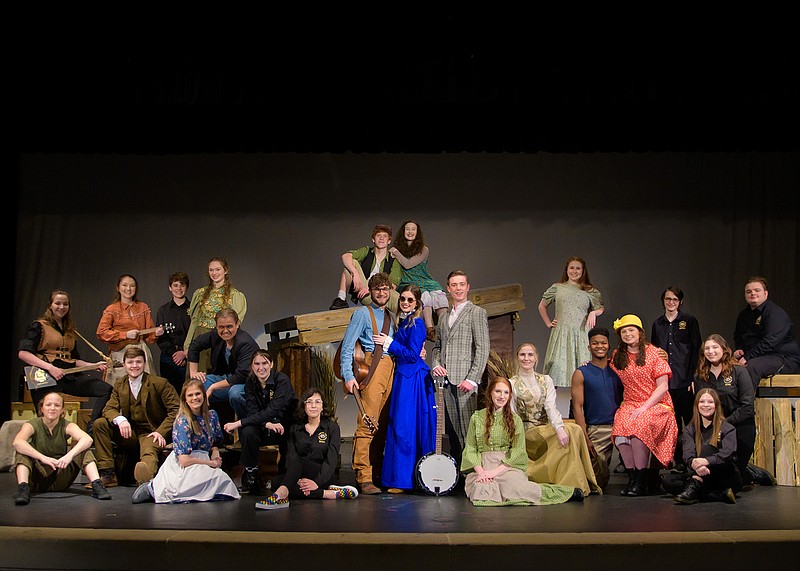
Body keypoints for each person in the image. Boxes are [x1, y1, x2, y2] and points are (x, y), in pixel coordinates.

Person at [460, 376, 583, 507]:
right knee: (481, 492)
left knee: (518, 488)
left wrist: (493, 473)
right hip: (483, 466)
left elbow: (518, 451)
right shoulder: (477, 417)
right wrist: (482, 473)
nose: (502, 396)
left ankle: (567, 493)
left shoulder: (515, 420)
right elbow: (471, 448)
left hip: (506, 467)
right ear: (490, 392)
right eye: (498, 391)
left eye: (506, 392)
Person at [510, 342, 601, 496]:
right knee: (572, 430)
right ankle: (577, 483)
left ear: (536, 358)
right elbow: (512, 414)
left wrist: (559, 428)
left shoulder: (546, 380)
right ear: (517, 358)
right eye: (522, 355)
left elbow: (551, 407)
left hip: (546, 427)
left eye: (530, 355)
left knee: (575, 429)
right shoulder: (512, 383)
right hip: (528, 432)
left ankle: (580, 481)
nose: (526, 358)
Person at [131, 379, 240, 504]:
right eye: (190, 395)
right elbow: (184, 460)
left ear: (204, 395)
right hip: (187, 463)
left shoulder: (212, 416)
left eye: (198, 394)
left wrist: (215, 452)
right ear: (185, 399)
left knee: (222, 482)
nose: (195, 398)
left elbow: (216, 441)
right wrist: (210, 463)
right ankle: (152, 488)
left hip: (204, 460)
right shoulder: (182, 422)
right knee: (201, 482)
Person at [373, 284, 437, 493]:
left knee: (405, 427)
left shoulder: (417, 324)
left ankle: (404, 481)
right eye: (403, 299)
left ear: (417, 303)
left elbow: (411, 354)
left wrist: (389, 343)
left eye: (410, 300)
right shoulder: (404, 322)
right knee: (400, 426)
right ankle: (400, 478)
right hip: (404, 377)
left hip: (412, 380)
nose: (406, 303)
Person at [18, 290, 112, 427]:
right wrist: (50, 368)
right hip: (45, 374)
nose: (61, 307)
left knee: (106, 389)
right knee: (47, 415)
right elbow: (23, 353)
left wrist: (93, 365)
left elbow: (73, 359)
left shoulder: (70, 330)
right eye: (58, 303)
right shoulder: (39, 326)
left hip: (68, 374)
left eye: (65, 304)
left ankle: (91, 427)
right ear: (50, 305)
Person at [338, 272, 396, 495]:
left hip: (391, 370)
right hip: (374, 368)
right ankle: (364, 476)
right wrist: (348, 376)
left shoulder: (391, 315)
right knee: (368, 423)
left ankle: (378, 472)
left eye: (385, 289)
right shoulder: (362, 314)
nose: (381, 293)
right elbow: (347, 347)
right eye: (377, 289)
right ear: (370, 292)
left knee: (382, 426)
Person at [91, 346, 180, 487]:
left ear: (144, 364)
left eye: (138, 362)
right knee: (100, 424)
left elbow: (176, 410)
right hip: (131, 433)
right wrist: (120, 420)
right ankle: (108, 474)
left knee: (149, 450)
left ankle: (145, 481)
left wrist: (160, 432)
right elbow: (109, 408)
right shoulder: (120, 384)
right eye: (130, 362)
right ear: (124, 364)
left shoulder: (159, 383)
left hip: (153, 432)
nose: (134, 366)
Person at [256, 388, 359, 509]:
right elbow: (290, 457)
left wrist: (316, 483)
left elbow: (331, 461)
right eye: (309, 402)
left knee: (287, 481)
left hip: (323, 473)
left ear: (322, 407)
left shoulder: (332, 427)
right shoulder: (295, 428)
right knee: (276, 482)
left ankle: (281, 496)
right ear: (304, 406)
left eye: (317, 402)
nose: (313, 406)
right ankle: (329, 494)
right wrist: (298, 478)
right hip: (299, 473)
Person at [610, 314, 678, 497]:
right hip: (631, 403)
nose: (628, 334)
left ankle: (641, 479)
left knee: (639, 426)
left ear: (640, 332)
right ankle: (633, 479)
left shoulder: (654, 353)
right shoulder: (618, 356)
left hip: (657, 403)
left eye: (631, 330)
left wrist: (645, 407)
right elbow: (605, 367)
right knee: (620, 428)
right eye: (624, 331)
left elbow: (663, 386)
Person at [431, 270, 490, 478]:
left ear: (467, 287)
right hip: (446, 382)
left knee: (468, 432)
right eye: (454, 285)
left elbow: (482, 348)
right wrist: (436, 365)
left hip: (466, 381)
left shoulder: (477, 312)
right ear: (448, 288)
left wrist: (472, 379)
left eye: (461, 284)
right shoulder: (444, 316)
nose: (458, 288)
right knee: (454, 433)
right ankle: (460, 476)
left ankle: (473, 475)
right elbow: (437, 347)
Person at [12, 391, 112, 505]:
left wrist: (69, 456)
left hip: (59, 476)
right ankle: (23, 489)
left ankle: (97, 485)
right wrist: (43, 458)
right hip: (37, 478)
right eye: (48, 404)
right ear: (42, 408)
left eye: (57, 405)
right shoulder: (31, 425)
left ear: (62, 409)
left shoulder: (67, 425)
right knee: (22, 451)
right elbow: (17, 442)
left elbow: (87, 439)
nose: (52, 408)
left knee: (83, 450)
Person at [223, 349, 298, 495]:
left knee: (286, 431)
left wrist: (239, 423)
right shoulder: (250, 382)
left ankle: (283, 474)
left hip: (285, 423)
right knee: (249, 432)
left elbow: (274, 410)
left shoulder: (281, 380)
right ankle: (251, 474)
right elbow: (252, 412)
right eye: (256, 364)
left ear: (271, 364)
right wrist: (266, 424)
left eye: (264, 363)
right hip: (265, 424)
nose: (260, 367)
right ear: (252, 366)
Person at [650, 286, 701, 471]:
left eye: (675, 299)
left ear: (680, 302)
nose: (671, 302)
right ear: (663, 301)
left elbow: (696, 349)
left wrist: (694, 377)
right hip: (665, 383)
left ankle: (691, 458)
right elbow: (654, 352)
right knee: (670, 424)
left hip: (685, 381)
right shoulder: (658, 324)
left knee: (688, 422)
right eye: (668, 299)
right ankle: (674, 460)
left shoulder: (689, 321)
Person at [694, 334, 755, 484]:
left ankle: (751, 473)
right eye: (707, 348)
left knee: (734, 479)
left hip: (740, 426)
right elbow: (700, 405)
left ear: (724, 350)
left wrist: (724, 424)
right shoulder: (700, 376)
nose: (711, 351)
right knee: (712, 474)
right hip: (713, 429)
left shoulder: (739, 372)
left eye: (715, 347)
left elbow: (747, 406)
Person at [538, 256, 605, 388]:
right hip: (562, 334)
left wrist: (593, 312)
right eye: (572, 268)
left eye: (578, 268)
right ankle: (548, 407)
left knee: (582, 375)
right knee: (554, 373)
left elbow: (600, 308)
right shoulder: (558, 287)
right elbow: (541, 305)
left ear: (583, 270)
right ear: (567, 270)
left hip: (581, 334)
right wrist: (548, 323)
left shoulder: (589, 290)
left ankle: (577, 408)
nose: (574, 271)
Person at [570, 327, 624, 490]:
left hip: (622, 426)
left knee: (636, 469)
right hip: (598, 429)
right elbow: (577, 407)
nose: (599, 346)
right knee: (596, 483)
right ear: (589, 346)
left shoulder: (618, 370)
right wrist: (585, 437)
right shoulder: (581, 373)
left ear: (608, 345)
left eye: (603, 343)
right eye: (595, 343)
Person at [187, 308, 260, 420]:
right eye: (221, 327)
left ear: (237, 324)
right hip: (227, 377)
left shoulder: (244, 343)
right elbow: (195, 345)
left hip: (248, 382)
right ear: (216, 326)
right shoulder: (216, 335)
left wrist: (213, 387)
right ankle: (202, 426)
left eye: (229, 326)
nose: (225, 331)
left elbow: (242, 376)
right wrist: (193, 373)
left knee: (234, 393)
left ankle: (247, 424)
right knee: (198, 386)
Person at [674, 388, 741, 505]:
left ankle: (696, 485)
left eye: (710, 402)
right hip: (703, 472)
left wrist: (706, 460)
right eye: (702, 402)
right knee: (669, 482)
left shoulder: (727, 428)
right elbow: (687, 455)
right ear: (696, 405)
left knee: (708, 448)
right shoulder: (690, 429)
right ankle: (720, 495)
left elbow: (727, 455)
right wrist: (695, 463)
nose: (706, 405)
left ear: (716, 405)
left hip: (725, 475)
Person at [733, 276, 800, 389]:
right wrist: (740, 351)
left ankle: (746, 405)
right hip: (758, 357)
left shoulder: (775, 313)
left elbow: (770, 341)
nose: (752, 293)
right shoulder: (744, 315)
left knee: (752, 367)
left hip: (783, 357)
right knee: (726, 365)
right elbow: (738, 336)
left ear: (766, 293)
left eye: (757, 290)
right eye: (748, 291)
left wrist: (748, 357)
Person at [184, 257, 248, 374]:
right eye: (211, 270)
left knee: (217, 373)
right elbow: (194, 321)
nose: (214, 273)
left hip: (221, 338)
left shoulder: (235, 295)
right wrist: (188, 344)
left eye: (218, 269)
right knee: (199, 375)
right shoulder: (200, 293)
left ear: (225, 270)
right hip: (201, 336)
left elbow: (235, 323)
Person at [96, 274, 163, 383]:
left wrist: (157, 333)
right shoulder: (112, 309)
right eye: (125, 285)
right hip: (120, 353)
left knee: (145, 385)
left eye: (132, 286)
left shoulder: (143, 307)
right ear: (118, 288)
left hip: (141, 350)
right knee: (120, 384)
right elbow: (101, 332)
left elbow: (150, 338)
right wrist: (125, 335)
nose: (128, 289)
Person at [388, 220, 449, 341]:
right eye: (407, 229)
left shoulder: (423, 249)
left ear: (417, 232)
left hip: (423, 279)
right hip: (407, 282)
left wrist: (396, 253)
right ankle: (430, 328)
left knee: (438, 295)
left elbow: (408, 264)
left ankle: (445, 327)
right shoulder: (398, 249)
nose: (410, 232)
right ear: (403, 231)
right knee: (424, 294)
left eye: (413, 229)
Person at [329, 224, 402, 313]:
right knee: (351, 264)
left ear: (389, 241)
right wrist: (355, 273)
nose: (381, 238)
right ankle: (341, 298)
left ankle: (406, 318)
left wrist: (371, 289)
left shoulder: (393, 261)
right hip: (363, 292)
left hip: (380, 294)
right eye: (378, 235)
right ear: (373, 239)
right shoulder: (367, 251)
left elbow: (392, 286)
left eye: (385, 236)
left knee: (395, 296)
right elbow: (345, 256)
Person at [156, 271, 192, 393]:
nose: (179, 288)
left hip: (189, 356)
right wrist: (175, 354)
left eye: (182, 285)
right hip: (168, 358)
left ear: (186, 287)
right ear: (170, 288)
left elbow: (197, 334)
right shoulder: (163, 310)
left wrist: (184, 353)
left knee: (188, 392)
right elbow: (160, 337)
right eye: (175, 285)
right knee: (169, 393)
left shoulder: (193, 309)